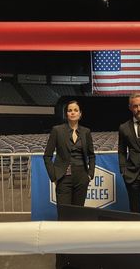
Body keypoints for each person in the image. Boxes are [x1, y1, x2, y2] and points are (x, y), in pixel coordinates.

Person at [43, 100, 95, 269]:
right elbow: (47, 156)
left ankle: (76, 258)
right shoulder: (57, 130)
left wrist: (90, 174)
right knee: (64, 219)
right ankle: (62, 261)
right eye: (70, 110)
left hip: (81, 178)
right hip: (64, 179)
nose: (72, 113)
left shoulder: (86, 132)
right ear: (66, 114)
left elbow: (92, 156)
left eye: (76, 110)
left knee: (77, 219)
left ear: (80, 114)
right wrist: (54, 176)